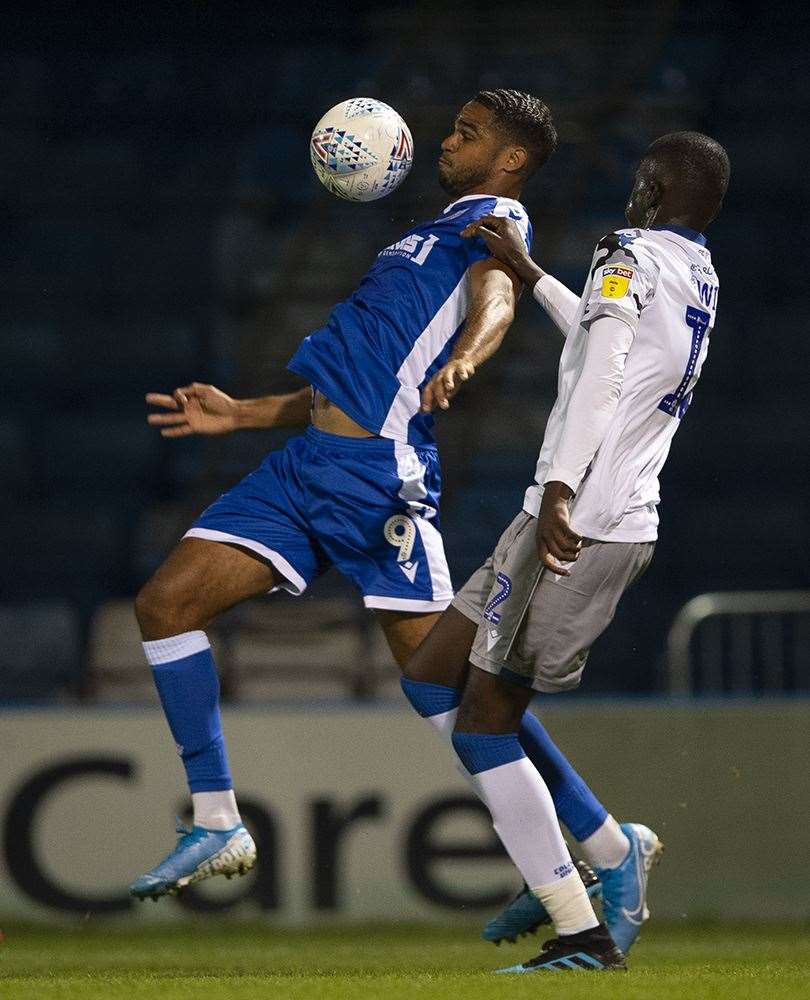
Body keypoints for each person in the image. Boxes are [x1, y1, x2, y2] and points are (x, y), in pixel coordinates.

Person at [130, 88, 562, 898]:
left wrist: (470, 354)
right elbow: (355, 378)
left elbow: (500, 295)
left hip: (374, 482)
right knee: (165, 605)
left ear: (508, 161)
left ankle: (600, 843)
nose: (445, 141)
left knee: (456, 695)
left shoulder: (495, 223)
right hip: (303, 470)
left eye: (466, 134)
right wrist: (244, 413)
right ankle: (218, 818)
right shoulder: (425, 235)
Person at [398, 131, 730, 972]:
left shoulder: (625, 248)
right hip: (578, 514)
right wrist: (530, 269)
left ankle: (584, 924)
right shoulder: (695, 268)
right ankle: (605, 849)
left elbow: (603, 374)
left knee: (483, 725)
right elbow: (597, 334)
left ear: (651, 187)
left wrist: (560, 491)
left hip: (584, 522)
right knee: (433, 673)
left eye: (637, 176)